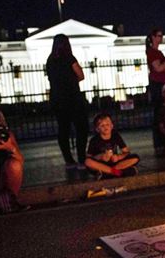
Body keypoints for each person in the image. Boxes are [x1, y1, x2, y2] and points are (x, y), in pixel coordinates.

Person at [46, 34, 89, 170]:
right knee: (81, 128)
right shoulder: (69, 58)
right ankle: (82, 159)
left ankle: (69, 160)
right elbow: (81, 75)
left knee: (63, 129)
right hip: (72, 98)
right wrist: (71, 80)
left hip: (57, 99)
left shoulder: (50, 60)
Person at [85, 112, 140, 178]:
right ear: (97, 129)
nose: (105, 127)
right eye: (102, 126)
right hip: (102, 164)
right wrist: (101, 156)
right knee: (88, 162)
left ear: (112, 126)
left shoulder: (116, 135)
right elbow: (89, 157)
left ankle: (107, 173)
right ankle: (117, 172)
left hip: (115, 163)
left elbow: (126, 152)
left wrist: (118, 157)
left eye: (107, 124)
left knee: (135, 158)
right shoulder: (94, 140)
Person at [146, 28, 165, 151]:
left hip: (162, 83)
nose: (160, 38)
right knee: (159, 113)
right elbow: (158, 69)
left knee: (164, 112)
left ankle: (164, 141)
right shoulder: (152, 52)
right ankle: (159, 142)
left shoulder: (157, 52)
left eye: (162, 36)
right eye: (158, 36)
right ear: (152, 37)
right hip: (158, 84)